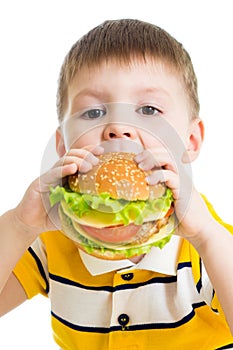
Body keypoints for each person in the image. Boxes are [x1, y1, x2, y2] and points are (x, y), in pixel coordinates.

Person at [0, 19, 233, 350]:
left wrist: (208, 237)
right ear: (64, 146)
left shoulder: (210, 243)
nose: (118, 128)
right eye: (93, 112)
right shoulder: (52, 241)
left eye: (148, 109)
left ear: (191, 141)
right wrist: (18, 224)